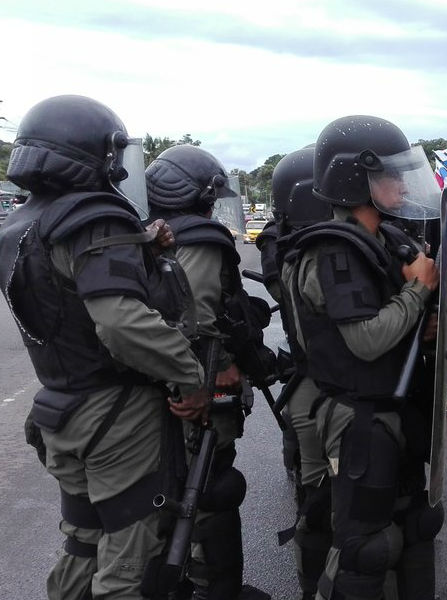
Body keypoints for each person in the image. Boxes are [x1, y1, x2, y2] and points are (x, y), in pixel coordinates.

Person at [0, 95, 207, 599]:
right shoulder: (96, 217)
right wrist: (189, 377)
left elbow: (63, 296)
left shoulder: (20, 224)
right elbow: (122, 324)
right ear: (103, 152)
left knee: (83, 542)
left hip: (60, 407)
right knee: (127, 560)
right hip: (115, 414)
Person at [289, 115, 444, 600]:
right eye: (389, 174)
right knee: (364, 548)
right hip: (357, 416)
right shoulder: (336, 253)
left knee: (412, 527)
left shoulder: (380, 241)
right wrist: (418, 290)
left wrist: (421, 329)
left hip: (389, 408)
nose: (400, 183)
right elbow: (367, 340)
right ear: (357, 178)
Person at [146, 145, 271, 599]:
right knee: (212, 489)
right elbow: (195, 318)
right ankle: (216, 588)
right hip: (201, 380)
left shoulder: (156, 231)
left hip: (172, 381)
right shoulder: (197, 238)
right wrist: (207, 375)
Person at [260, 145, 334, 600]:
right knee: (319, 490)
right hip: (321, 373)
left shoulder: (280, 240)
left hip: (321, 374)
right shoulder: (295, 247)